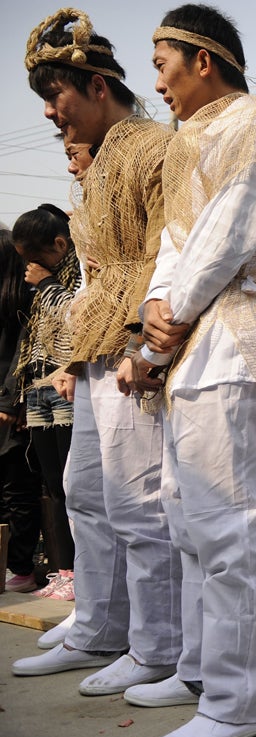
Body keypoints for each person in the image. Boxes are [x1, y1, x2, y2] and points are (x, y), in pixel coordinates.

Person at [123, 5, 256, 737]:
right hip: (191, 345)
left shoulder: (254, 127)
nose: (157, 82)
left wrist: (162, 330)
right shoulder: (193, 141)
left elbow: (222, 243)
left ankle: (237, 703)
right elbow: (176, 244)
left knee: (232, 530)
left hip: (230, 341)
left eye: (162, 63)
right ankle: (201, 670)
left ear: (203, 60)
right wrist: (153, 312)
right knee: (190, 522)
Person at [13, 9, 182, 699]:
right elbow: (96, 271)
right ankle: (100, 626)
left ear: (98, 86)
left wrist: (146, 343)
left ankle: (158, 646)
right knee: (86, 492)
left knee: (140, 504)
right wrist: (75, 356)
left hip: (135, 348)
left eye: (56, 95)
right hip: (96, 351)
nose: (50, 113)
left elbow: (172, 254)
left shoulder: (155, 148)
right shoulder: (96, 165)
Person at [11, 204, 83, 601]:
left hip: (68, 383)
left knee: (76, 485)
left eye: (36, 257)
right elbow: (32, 337)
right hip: (39, 387)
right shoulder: (42, 283)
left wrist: (49, 284)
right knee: (53, 485)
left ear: (60, 244)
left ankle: (82, 570)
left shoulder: (81, 272)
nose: (31, 267)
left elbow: (78, 319)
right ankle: (63, 569)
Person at [0, 229, 42, 594]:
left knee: (17, 488)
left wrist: (10, 401)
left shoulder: (22, 301)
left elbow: (21, 354)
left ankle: (20, 566)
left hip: (12, 406)